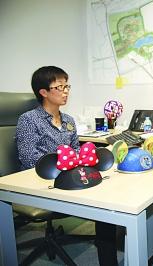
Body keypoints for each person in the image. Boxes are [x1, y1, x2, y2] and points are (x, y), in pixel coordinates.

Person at [15, 66, 118, 266]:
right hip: (40, 181)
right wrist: (66, 166)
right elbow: (29, 158)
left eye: (67, 86)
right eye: (60, 87)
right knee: (102, 201)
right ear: (43, 92)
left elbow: (75, 150)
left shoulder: (69, 121)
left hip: (68, 177)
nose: (66, 91)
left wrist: (80, 162)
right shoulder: (28, 120)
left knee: (107, 194)